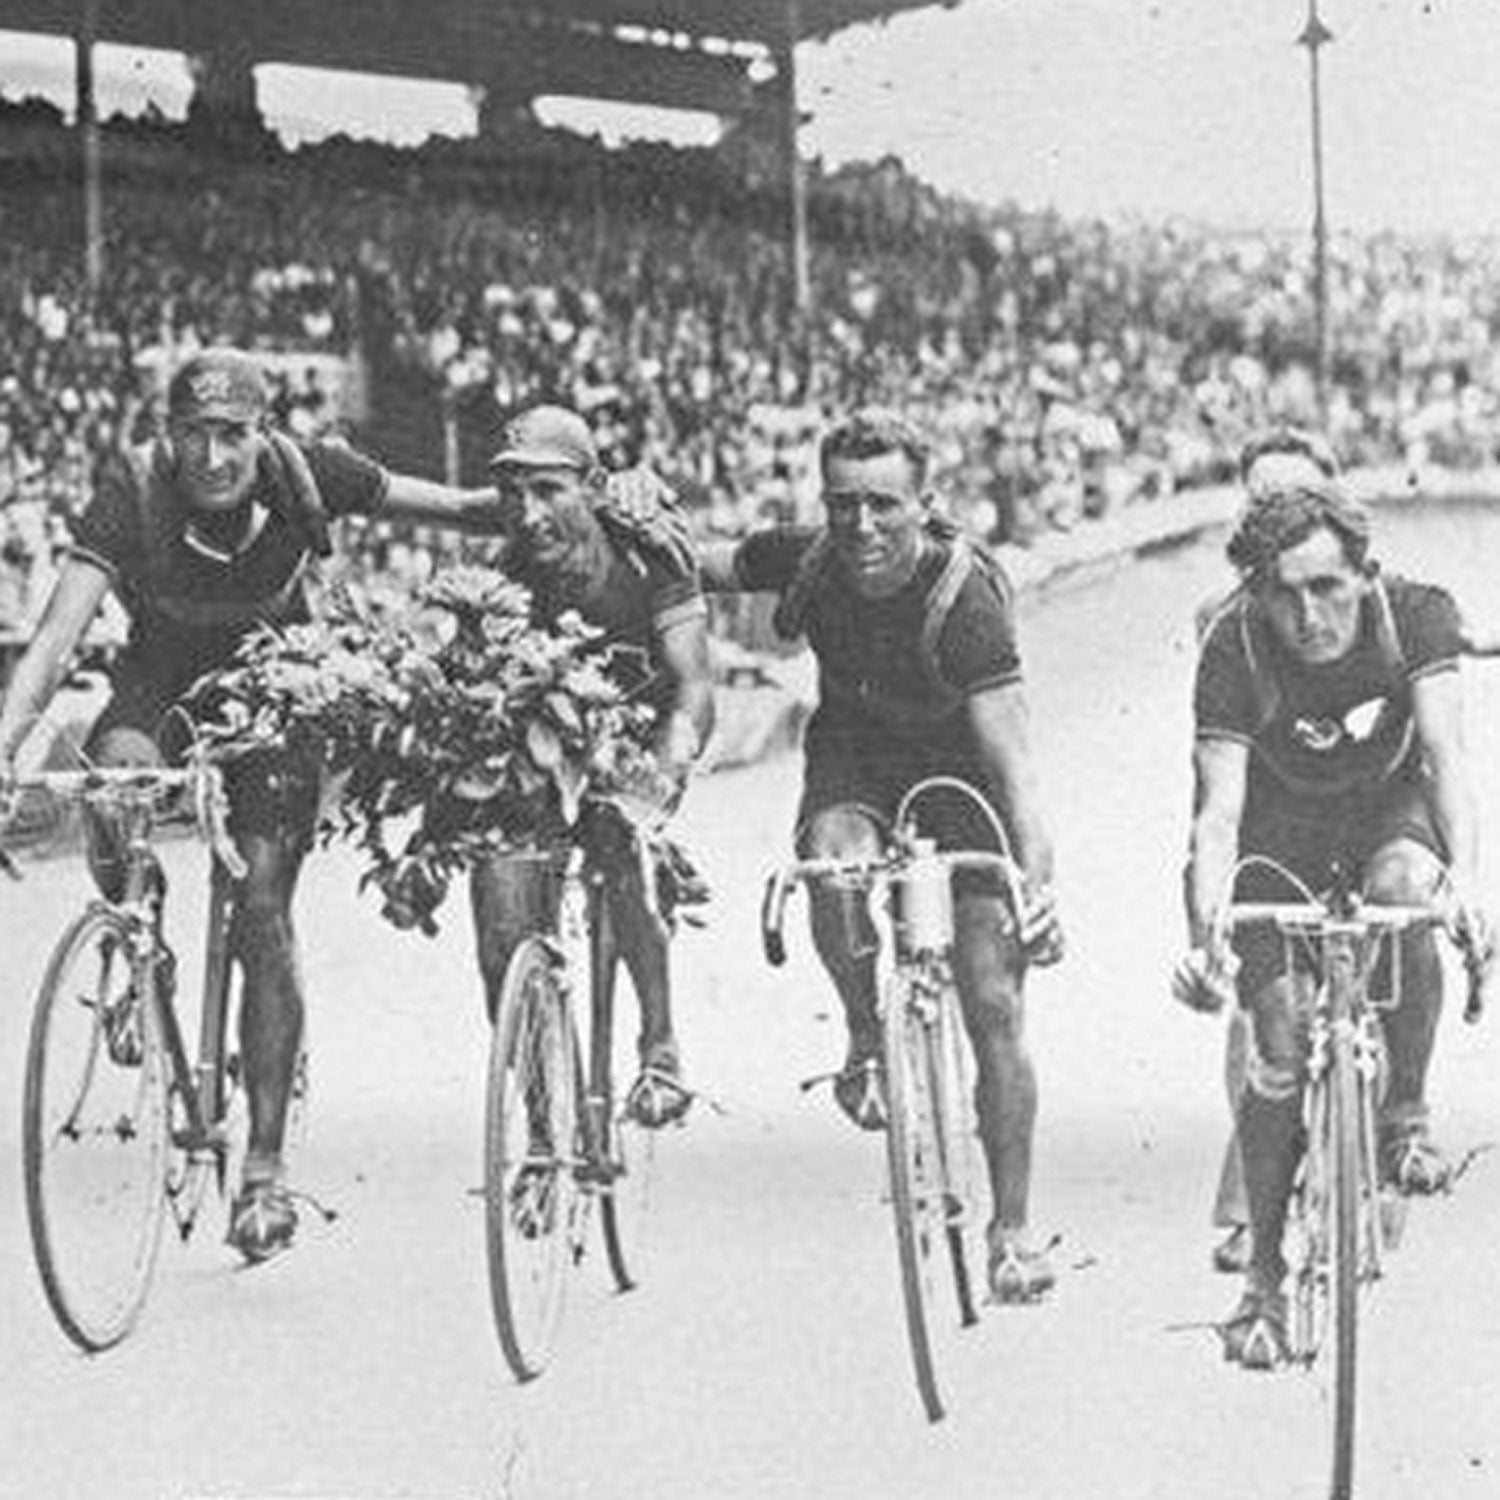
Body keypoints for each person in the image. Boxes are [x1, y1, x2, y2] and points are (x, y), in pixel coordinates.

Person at [0, 349, 569, 1263]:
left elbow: (458, 508)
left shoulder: (310, 472)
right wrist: (5, 745)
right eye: (196, 435)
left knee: (263, 907)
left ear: (262, 434)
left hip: (279, 691)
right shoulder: (133, 491)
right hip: (161, 686)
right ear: (168, 433)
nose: (214, 458)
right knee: (114, 783)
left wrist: (570, 498)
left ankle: (262, 1169)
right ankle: (134, 933)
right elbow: (58, 633)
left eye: (233, 436)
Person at [698, 407, 1064, 1302]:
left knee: (991, 998)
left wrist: (1037, 885)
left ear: (924, 504)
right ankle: (864, 1034)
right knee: (829, 866)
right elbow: (691, 560)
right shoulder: (814, 557)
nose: (862, 527)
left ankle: (1012, 1230)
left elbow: (1013, 759)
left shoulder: (964, 596)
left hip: (960, 771)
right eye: (843, 505)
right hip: (856, 759)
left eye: (884, 507)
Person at [1175, 476, 1492, 1369]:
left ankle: (1404, 1116)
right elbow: (1216, 816)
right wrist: (1205, 934)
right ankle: (1264, 1284)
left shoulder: (1416, 616)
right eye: (1283, 592)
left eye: (1327, 587)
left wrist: (1467, 881)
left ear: (1365, 575)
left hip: (1388, 811)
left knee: (1407, 893)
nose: (1307, 613)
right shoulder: (1235, 645)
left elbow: (1448, 760)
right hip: (1276, 833)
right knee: (1277, 1046)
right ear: (1255, 592)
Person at [469, 404, 714, 1130]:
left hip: (638, 742)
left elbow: (695, 688)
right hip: (544, 751)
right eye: (512, 495)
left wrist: (667, 769)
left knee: (618, 838)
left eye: (548, 491)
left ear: (595, 486)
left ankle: (660, 1043)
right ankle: (549, 1124)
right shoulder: (505, 572)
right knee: (498, 911)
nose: (528, 512)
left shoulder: (650, 554)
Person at [1194, 427, 1343, 1278]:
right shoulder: (1222, 618)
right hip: (1249, 815)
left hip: (1353, 804)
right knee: (1252, 1013)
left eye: (1292, 496)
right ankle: (1253, 1194)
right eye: (1260, 497)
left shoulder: (1359, 592)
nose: (1274, 511)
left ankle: (1365, 1156)